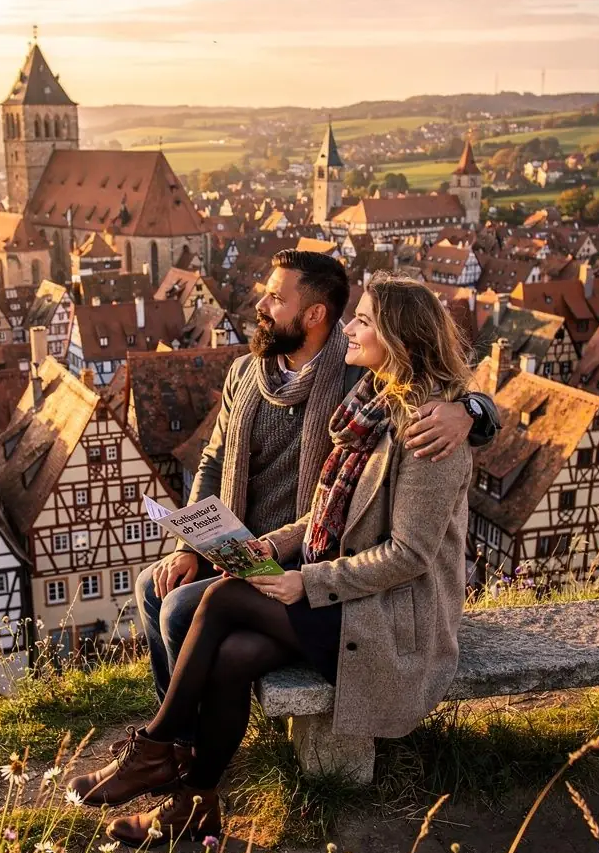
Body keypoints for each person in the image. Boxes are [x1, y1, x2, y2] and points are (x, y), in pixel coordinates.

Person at [69, 274, 478, 844]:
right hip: (346, 595)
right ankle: (194, 803)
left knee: (218, 599)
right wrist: (273, 548)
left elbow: (408, 555)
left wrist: (304, 581)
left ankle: (158, 750)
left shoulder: (429, 433)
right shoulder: (371, 408)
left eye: (362, 319)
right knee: (233, 653)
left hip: (390, 617)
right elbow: (325, 516)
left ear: (398, 336)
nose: (351, 327)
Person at [134, 249, 498, 703]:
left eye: (273, 299)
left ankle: (183, 735)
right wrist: (190, 545)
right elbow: (212, 462)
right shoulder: (245, 372)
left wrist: (471, 411)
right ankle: (176, 726)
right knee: (153, 585)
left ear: (314, 314)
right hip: (246, 544)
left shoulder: (356, 375)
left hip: (307, 554)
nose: (259, 308)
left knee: (179, 609)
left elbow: (429, 378)